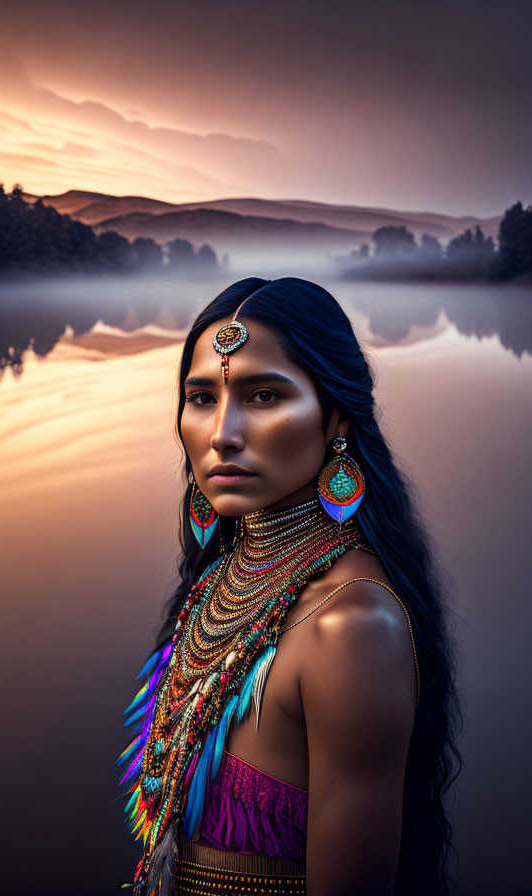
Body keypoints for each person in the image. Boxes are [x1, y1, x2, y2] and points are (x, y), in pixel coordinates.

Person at [119, 277, 462, 895]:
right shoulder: (221, 576)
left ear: (335, 416)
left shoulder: (350, 626)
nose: (222, 432)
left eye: (264, 395)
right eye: (201, 398)